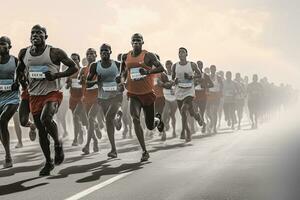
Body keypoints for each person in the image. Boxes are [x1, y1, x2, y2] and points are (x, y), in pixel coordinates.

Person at [16, 25, 77, 176]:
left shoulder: (55, 52)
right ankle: (48, 162)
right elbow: (20, 69)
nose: (35, 35)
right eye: (33, 33)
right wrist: (22, 80)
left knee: (46, 118)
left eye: (39, 33)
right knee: (42, 133)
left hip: (52, 93)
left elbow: (73, 67)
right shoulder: (24, 53)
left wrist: (57, 75)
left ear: (46, 36)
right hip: (34, 95)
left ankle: (57, 143)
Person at [119, 33, 164, 162]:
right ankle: (144, 151)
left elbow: (161, 68)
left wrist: (148, 71)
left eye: (139, 41)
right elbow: (122, 72)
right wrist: (121, 81)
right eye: (134, 41)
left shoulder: (148, 55)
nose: (136, 43)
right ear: (131, 43)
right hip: (133, 94)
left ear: (143, 42)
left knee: (150, 126)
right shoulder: (125, 56)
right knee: (135, 118)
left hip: (147, 94)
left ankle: (157, 120)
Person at [86, 43, 123, 158]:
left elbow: (125, 78)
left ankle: (113, 150)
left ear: (110, 52)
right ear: (100, 53)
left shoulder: (117, 64)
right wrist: (97, 82)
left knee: (108, 119)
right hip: (102, 97)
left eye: (106, 50)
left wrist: (122, 84)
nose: (104, 53)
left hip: (116, 96)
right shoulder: (94, 66)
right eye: (102, 51)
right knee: (110, 120)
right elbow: (87, 84)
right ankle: (117, 119)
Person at [172, 47, 204, 142]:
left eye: (183, 52)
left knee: (183, 110)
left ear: (186, 54)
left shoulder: (192, 65)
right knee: (189, 113)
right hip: (179, 92)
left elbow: (200, 75)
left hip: (189, 91)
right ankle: (197, 116)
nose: (181, 54)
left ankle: (187, 132)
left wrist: (191, 76)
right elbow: (173, 78)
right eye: (179, 53)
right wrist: (175, 80)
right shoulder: (175, 66)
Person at [0, 36, 20, 168]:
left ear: (9, 46)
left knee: (2, 120)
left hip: (12, 97)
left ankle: (7, 156)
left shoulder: (15, 60)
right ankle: (31, 125)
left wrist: (17, 82)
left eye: (2, 44)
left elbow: (21, 76)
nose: (0, 47)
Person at [80, 48, 103, 154]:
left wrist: (93, 82)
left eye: (92, 54)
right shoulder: (83, 69)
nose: (89, 56)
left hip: (97, 98)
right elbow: (81, 82)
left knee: (90, 118)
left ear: (96, 55)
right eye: (88, 54)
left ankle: (87, 145)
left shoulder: (99, 67)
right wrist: (81, 80)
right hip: (86, 98)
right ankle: (95, 140)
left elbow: (101, 81)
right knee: (89, 123)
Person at [66, 53, 85, 146]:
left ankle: (83, 131)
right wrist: (68, 84)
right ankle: (76, 137)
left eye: (75, 59)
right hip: (73, 98)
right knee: (75, 118)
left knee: (81, 118)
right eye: (72, 59)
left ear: (79, 60)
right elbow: (66, 86)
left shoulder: (83, 70)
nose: (74, 61)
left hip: (82, 98)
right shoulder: (69, 71)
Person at [193, 60, 213, 133]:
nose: (198, 67)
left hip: (203, 96)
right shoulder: (192, 75)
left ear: (202, 66)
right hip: (194, 95)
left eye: (200, 65)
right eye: (197, 65)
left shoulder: (205, 75)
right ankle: (202, 122)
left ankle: (204, 124)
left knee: (201, 113)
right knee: (195, 111)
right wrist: (195, 83)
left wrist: (204, 85)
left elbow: (212, 85)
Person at [161, 60, 177, 139]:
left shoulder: (175, 75)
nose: (169, 67)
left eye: (170, 65)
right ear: (166, 66)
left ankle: (174, 131)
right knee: (164, 114)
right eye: (167, 65)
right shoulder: (163, 75)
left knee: (172, 115)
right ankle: (163, 133)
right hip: (166, 97)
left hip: (174, 98)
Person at [206, 65, 223, 134]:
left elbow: (222, 85)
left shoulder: (218, 77)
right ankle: (212, 122)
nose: (213, 70)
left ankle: (214, 128)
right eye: (211, 69)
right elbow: (205, 85)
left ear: (215, 70)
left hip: (216, 96)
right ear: (210, 70)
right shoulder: (207, 77)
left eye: (214, 69)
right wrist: (206, 91)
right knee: (208, 112)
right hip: (209, 95)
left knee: (215, 112)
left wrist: (220, 92)